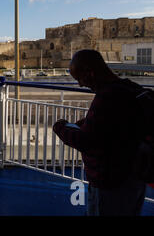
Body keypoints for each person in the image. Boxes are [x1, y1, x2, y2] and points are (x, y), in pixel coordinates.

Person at [53, 49, 146, 216]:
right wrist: (87, 123)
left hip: (111, 180)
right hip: (135, 176)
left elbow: (87, 141)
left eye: (80, 78)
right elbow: (111, 126)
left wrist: (60, 128)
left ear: (90, 72)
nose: (81, 84)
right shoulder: (130, 89)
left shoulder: (107, 97)